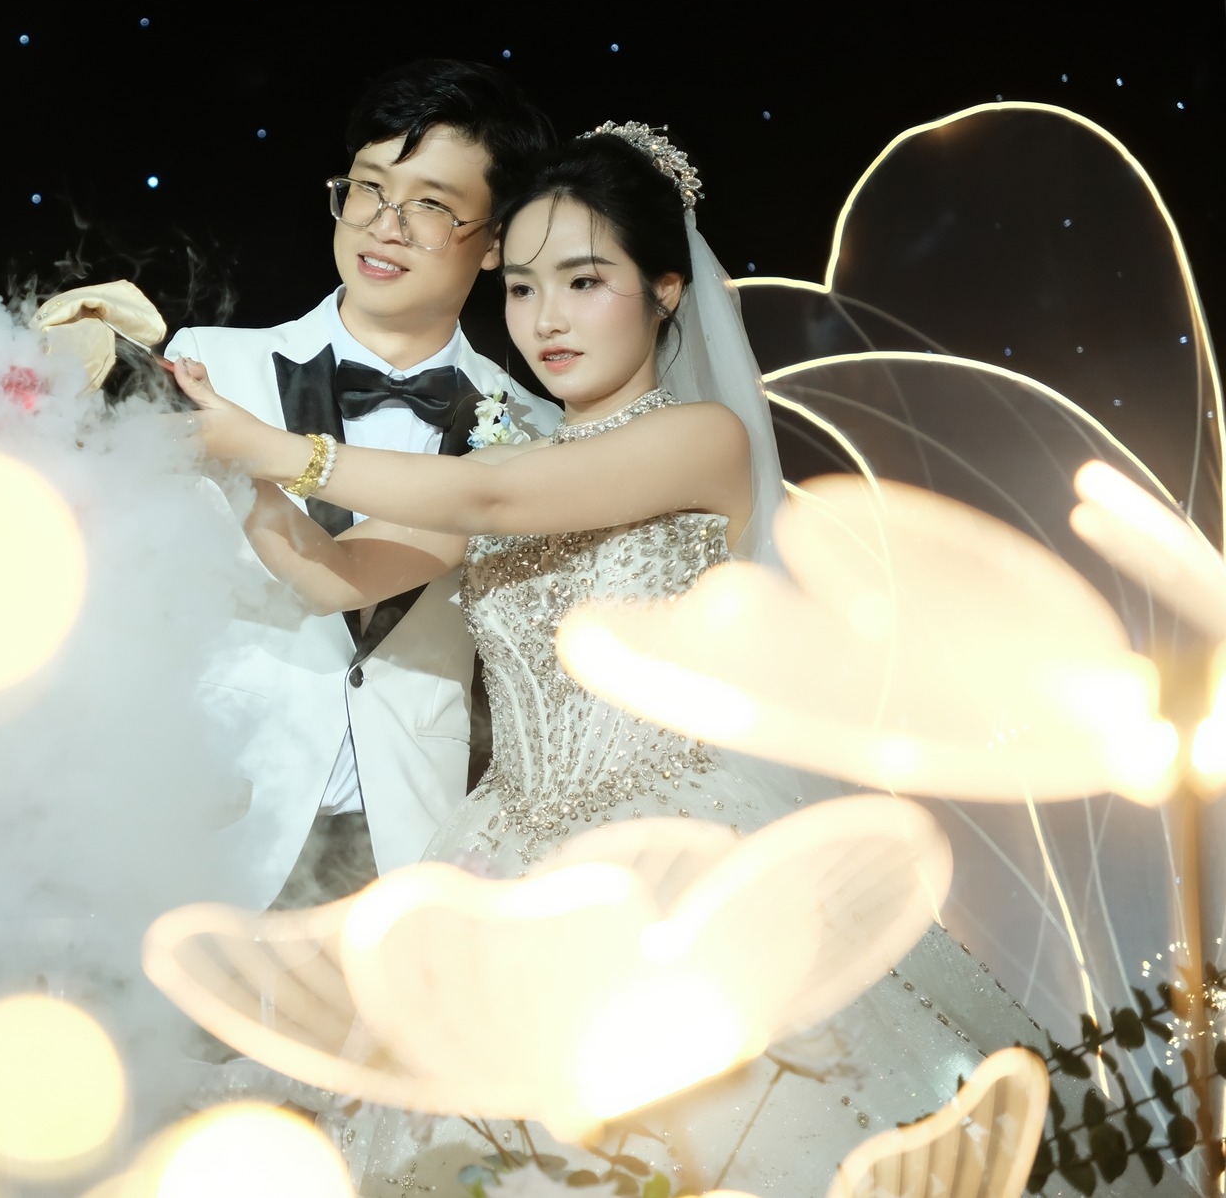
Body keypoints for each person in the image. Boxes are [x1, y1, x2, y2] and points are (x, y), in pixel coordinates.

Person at [171, 126, 1182, 1197]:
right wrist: (232, 466)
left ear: (663, 292)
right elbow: (333, 577)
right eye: (521, 288)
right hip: (504, 853)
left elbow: (491, 501)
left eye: (583, 281)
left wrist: (276, 448)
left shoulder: (700, 437)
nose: (545, 319)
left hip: (676, 849)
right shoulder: (507, 453)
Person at [164, 59, 556, 912]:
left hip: (419, 844)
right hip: (220, 828)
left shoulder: (534, 428)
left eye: (430, 204)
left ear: (494, 240)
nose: (385, 225)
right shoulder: (206, 368)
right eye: (369, 188)